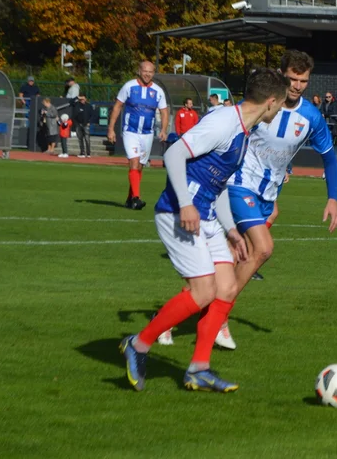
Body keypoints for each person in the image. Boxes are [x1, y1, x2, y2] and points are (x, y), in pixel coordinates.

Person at [119, 67, 289, 393]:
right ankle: (138, 345)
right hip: (178, 213)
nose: (280, 110)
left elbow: (219, 183)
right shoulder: (224, 122)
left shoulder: (242, 130)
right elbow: (174, 153)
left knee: (226, 289)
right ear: (270, 102)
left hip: (206, 216)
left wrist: (231, 230)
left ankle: (198, 368)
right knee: (203, 292)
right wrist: (184, 202)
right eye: (280, 104)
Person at [214, 50, 337, 349]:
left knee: (233, 256)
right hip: (240, 183)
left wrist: (333, 198)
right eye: (292, 79)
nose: (297, 85)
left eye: (303, 80)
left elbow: (329, 159)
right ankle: (219, 317)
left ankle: (177, 311)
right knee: (263, 248)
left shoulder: (311, 116)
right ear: (281, 75)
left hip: (268, 193)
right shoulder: (263, 103)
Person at [107, 61, 169, 210]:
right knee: (134, 163)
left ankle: (130, 198)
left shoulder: (158, 91)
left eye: (150, 71)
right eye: (144, 71)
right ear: (139, 71)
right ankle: (136, 198)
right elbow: (117, 107)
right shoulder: (129, 87)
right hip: (130, 132)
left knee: (139, 167)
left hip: (147, 133)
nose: (147, 74)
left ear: (154, 73)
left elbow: (164, 111)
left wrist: (163, 129)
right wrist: (111, 129)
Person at [70, 92, 94, 158]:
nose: (82, 100)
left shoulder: (89, 106)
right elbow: (70, 102)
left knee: (87, 138)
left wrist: (89, 122)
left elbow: (92, 115)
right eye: (81, 99)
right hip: (78, 124)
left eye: (83, 98)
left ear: (86, 99)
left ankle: (88, 153)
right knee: (80, 139)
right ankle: (82, 152)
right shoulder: (77, 104)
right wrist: (78, 97)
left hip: (86, 124)